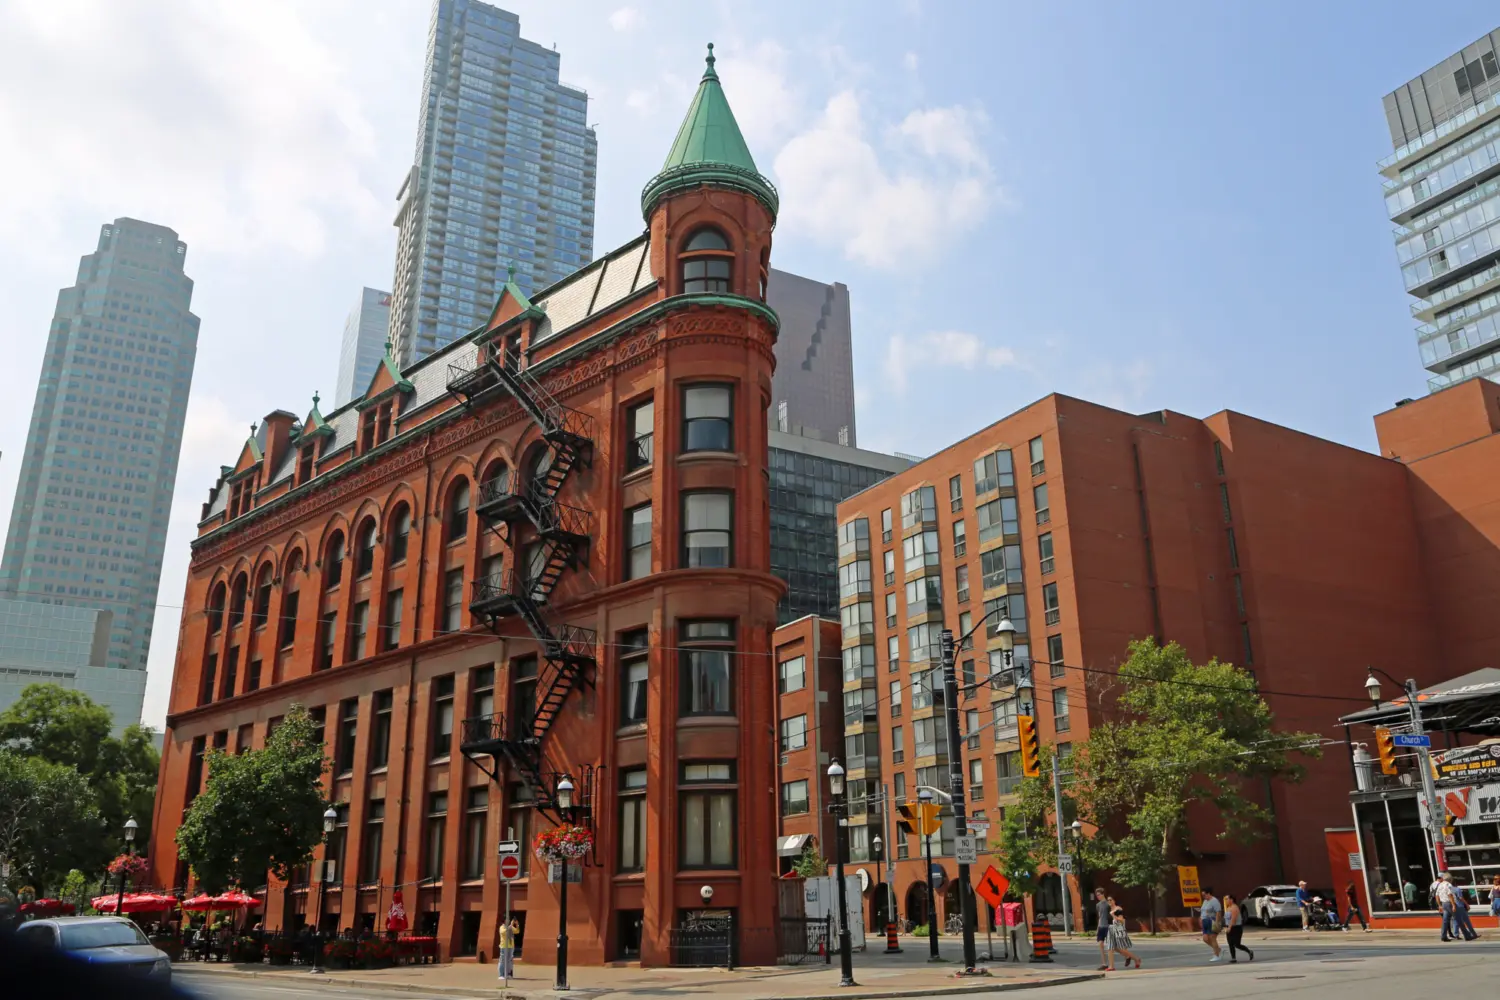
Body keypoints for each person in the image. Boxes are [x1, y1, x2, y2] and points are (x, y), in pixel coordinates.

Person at [1106, 902, 1139, 970]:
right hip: (1110, 929)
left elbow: (1121, 920)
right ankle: (1111, 966)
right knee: (1111, 948)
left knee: (1122, 949)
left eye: (1110, 900)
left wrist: (1113, 915)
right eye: (1108, 900)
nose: (1109, 901)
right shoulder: (1108, 909)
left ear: (1114, 901)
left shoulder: (1118, 909)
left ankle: (1136, 959)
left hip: (1118, 930)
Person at [1222, 892, 1254, 963]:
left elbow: (1233, 919)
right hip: (1229, 927)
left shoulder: (1234, 908)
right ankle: (1233, 958)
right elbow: (1226, 919)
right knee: (1230, 943)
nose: (1226, 900)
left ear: (1231, 900)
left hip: (1236, 928)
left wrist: (1229, 927)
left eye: (1227, 899)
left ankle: (1249, 951)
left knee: (1237, 944)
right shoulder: (1228, 908)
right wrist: (1224, 926)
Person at [1199, 887, 1224, 962]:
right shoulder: (1205, 901)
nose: (1203, 897)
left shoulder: (1214, 901)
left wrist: (1217, 922)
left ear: (1209, 893)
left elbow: (1218, 912)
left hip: (1211, 920)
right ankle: (1219, 949)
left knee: (1213, 938)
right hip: (1205, 921)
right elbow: (1203, 911)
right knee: (1205, 939)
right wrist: (1201, 918)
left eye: (1204, 895)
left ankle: (1217, 955)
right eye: (1202, 895)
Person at [1092, 888, 1113, 970]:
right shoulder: (1098, 905)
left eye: (1099, 894)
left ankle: (1127, 956)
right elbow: (1099, 917)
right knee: (1100, 944)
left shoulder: (1108, 904)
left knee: (1111, 946)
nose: (1098, 896)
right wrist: (1097, 928)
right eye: (1096, 895)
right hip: (1101, 927)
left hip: (1108, 926)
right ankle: (1104, 963)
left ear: (1103, 894)